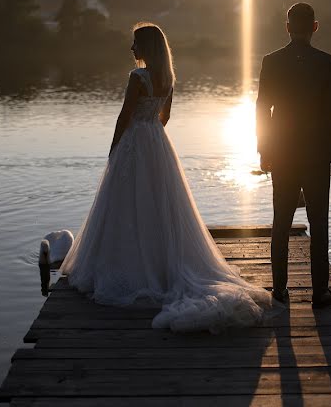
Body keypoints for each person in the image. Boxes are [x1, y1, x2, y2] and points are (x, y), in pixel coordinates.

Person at [60, 22, 273, 333]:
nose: (131, 49)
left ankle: (133, 269)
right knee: (161, 205)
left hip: (135, 141)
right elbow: (166, 117)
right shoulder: (168, 79)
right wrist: (152, 133)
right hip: (157, 143)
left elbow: (124, 115)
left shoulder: (138, 78)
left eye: (136, 43)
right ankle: (160, 265)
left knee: (127, 205)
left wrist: (115, 148)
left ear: (147, 48)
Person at [256, 3, 331, 308]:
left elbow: (262, 108)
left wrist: (263, 148)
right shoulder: (326, 62)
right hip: (317, 152)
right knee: (318, 221)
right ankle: (319, 292)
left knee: (280, 221)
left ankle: (280, 290)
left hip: (281, 150)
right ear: (315, 27)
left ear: (287, 27)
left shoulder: (271, 61)